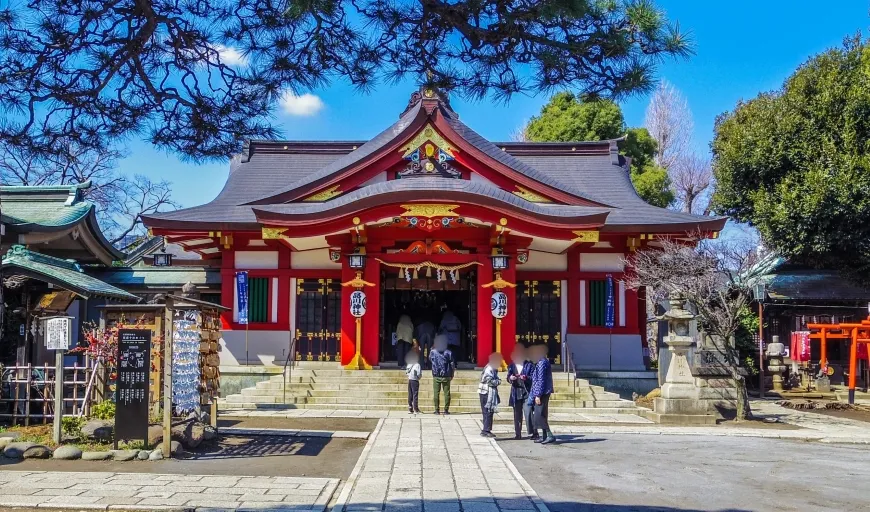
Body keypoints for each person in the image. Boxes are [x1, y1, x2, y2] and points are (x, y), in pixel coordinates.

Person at [527, 344, 556, 444]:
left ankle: (549, 434)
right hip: (542, 392)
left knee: (540, 415)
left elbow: (541, 380)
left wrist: (538, 395)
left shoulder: (542, 363)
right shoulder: (541, 362)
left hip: (542, 393)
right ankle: (544, 436)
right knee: (541, 414)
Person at [507, 345, 535, 440]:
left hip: (526, 391)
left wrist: (526, 378)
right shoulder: (511, 366)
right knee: (517, 414)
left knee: (528, 412)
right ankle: (517, 433)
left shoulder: (529, 365)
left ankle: (532, 433)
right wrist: (511, 378)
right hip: (516, 391)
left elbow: (533, 378)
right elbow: (508, 377)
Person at [478, 352, 503, 437]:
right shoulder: (489, 368)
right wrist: (498, 382)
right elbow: (490, 381)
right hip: (486, 392)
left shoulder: (493, 368)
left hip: (488, 391)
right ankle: (486, 430)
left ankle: (486, 428)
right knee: (487, 411)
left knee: (489, 411)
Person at [429, 334, 455, 415]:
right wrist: (452, 373)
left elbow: (430, 359)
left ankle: (437, 410)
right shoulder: (448, 352)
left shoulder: (433, 352)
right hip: (446, 375)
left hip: (436, 375)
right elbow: (452, 364)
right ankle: (446, 410)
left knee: (436, 393)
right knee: (447, 393)